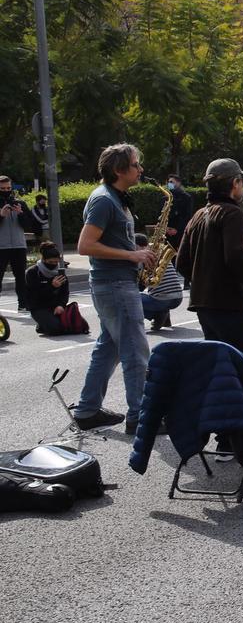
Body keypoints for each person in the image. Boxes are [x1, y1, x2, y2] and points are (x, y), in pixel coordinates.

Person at [72, 144, 156, 434]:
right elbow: (86, 245)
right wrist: (132, 256)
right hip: (115, 285)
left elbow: (108, 241)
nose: (140, 169)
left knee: (108, 350)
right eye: (135, 165)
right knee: (135, 352)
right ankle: (139, 417)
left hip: (116, 283)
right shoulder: (104, 201)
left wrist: (137, 251)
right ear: (119, 170)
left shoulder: (114, 198)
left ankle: (87, 410)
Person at [176, 157, 243, 371]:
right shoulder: (231, 213)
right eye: (241, 182)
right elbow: (237, 257)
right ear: (235, 183)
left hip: (203, 305)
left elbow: (181, 262)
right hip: (229, 305)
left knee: (219, 370)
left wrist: (206, 279)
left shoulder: (198, 215)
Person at [134, 233, 183, 329]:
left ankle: (159, 316)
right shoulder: (160, 253)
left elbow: (140, 287)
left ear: (138, 246)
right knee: (157, 293)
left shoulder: (143, 257)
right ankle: (163, 317)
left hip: (162, 300)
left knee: (130, 298)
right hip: (178, 297)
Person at [24, 241, 74, 335]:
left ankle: (45, 324)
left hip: (55, 306)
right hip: (39, 307)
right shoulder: (32, 272)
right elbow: (34, 295)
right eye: (50, 262)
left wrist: (61, 305)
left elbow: (65, 292)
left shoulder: (60, 272)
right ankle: (43, 323)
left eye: (56, 262)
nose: (53, 264)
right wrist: (52, 286)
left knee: (76, 325)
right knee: (56, 329)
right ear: (43, 260)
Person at [0, 176, 31, 310]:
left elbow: (30, 225)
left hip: (18, 245)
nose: (6, 191)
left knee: (20, 277)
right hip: (1, 247)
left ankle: (23, 304)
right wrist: (1, 215)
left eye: (8, 188)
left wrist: (21, 214)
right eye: (2, 189)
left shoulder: (20, 203)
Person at [164, 174, 194, 252]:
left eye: (171, 182)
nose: (169, 184)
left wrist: (177, 230)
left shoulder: (187, 197)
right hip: (166, 233)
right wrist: (166, 229)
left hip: (180, 233)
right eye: (168, 182)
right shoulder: (165, 198)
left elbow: (187, 216)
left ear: (179, 183)